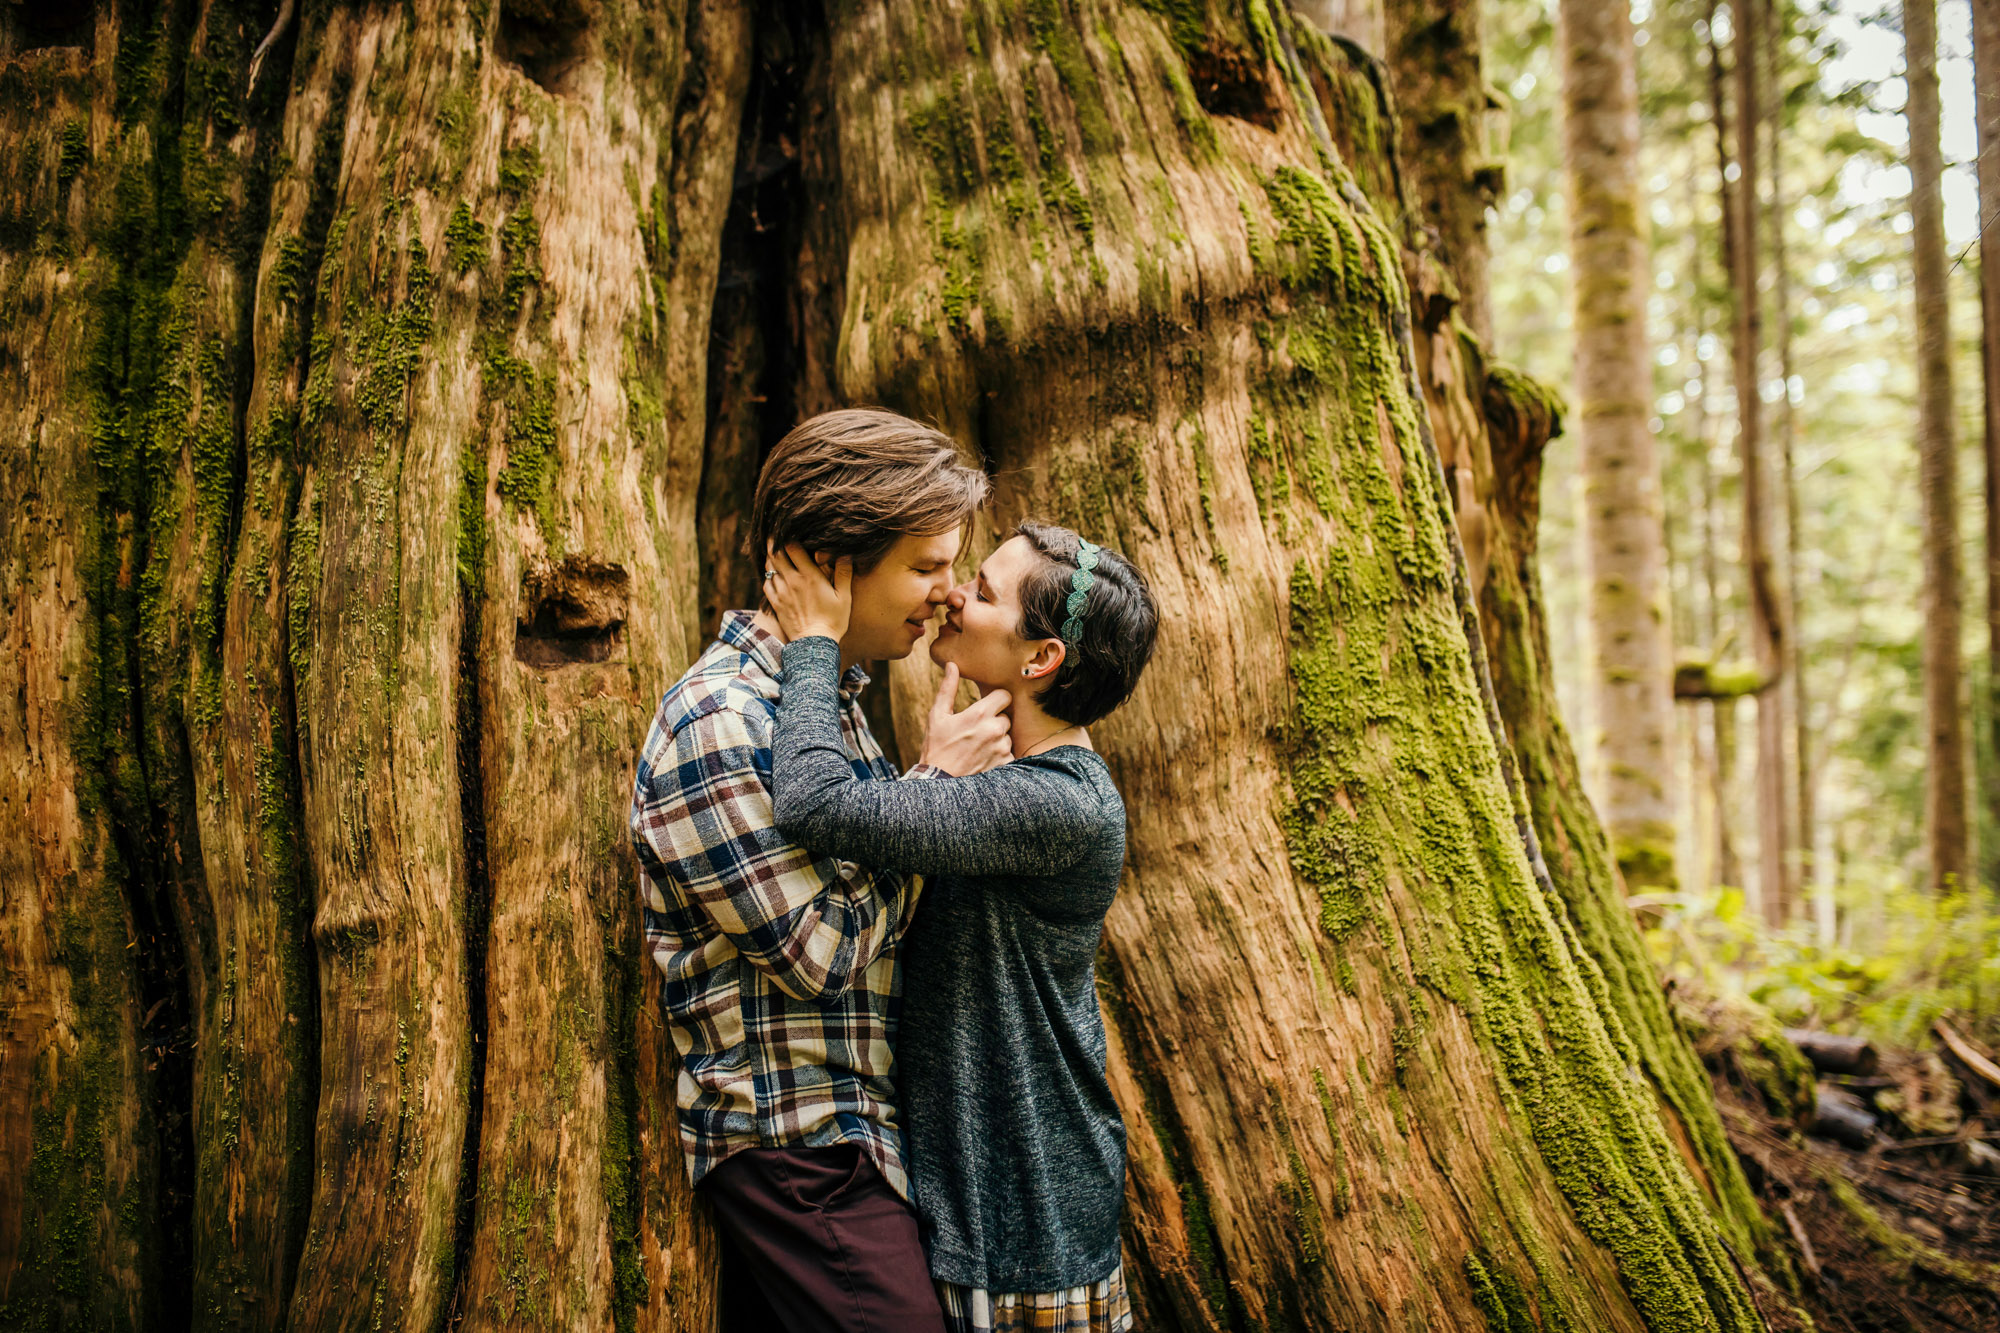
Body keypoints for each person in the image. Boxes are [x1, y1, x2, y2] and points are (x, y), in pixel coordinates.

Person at [629, 408, 1014, 1333]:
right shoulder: (716, 723)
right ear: (830, 564)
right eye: (925, 567)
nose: (946, 595)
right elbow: (820, 947)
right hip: (792, 1147)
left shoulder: (830, 710)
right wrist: (931, 795)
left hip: (858, 1140)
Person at [762, 518, 1159, 1333]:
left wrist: (811, 641)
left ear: (1040, 658)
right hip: (976, 1210)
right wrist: (936, 776)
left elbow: (812, 801)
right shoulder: (1008, 780)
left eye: (980, 592)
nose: (951, 595)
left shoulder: (1056, 802)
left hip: (1025, 1219)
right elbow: (908, 830)